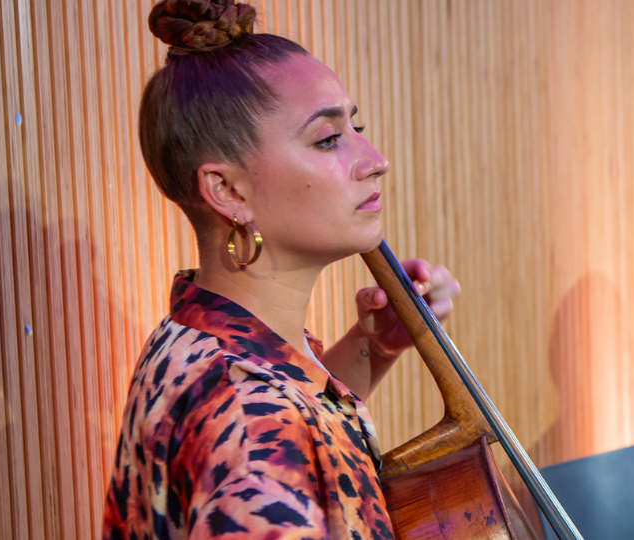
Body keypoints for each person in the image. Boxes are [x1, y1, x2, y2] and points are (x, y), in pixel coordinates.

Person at [102, 1, 459, 538]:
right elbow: (274, 431)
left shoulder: (204, 337)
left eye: (355, 126)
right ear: (227, 191)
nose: (375, 158)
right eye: (329, 139)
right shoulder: (254, 436)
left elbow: (303, 405)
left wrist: (373, 349)